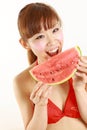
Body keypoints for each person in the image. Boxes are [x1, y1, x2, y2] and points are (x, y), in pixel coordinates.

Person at [13, 2, 87, 130]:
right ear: (25, 44)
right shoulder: (21, 81)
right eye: (40, 36)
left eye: (55, 30)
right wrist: (41, 106)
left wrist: (79, 89)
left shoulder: (81, 67)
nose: (52, 41)